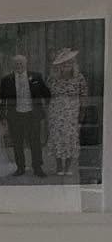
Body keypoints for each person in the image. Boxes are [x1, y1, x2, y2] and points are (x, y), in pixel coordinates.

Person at [0, 52, 50, 175]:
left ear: (26, 64)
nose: (19, 65)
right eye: (16, 63)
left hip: (32, 114)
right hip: (15, 115)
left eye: (21, 63)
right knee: (17, 142)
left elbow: (46, 94)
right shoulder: (7, 80)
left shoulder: (36, 77)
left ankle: (37, 168)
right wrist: (2, 116)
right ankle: (20, 167)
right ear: (13, 65)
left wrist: (44, 108)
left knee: (35, 141)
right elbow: (3, 99)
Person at [46, 48, 87, 177]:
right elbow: (48, 92)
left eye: (69, 63)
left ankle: (67, 167)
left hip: (72, 112)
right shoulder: (53, 77)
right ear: (60, 65)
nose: (67, 65)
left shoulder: (79, 77)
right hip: (56, 111)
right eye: (64, 63)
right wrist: (55, 73)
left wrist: (82, 112)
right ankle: (59, 166)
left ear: (73, 64)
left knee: (70, 138)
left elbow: (84, 95)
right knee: (57, 137)